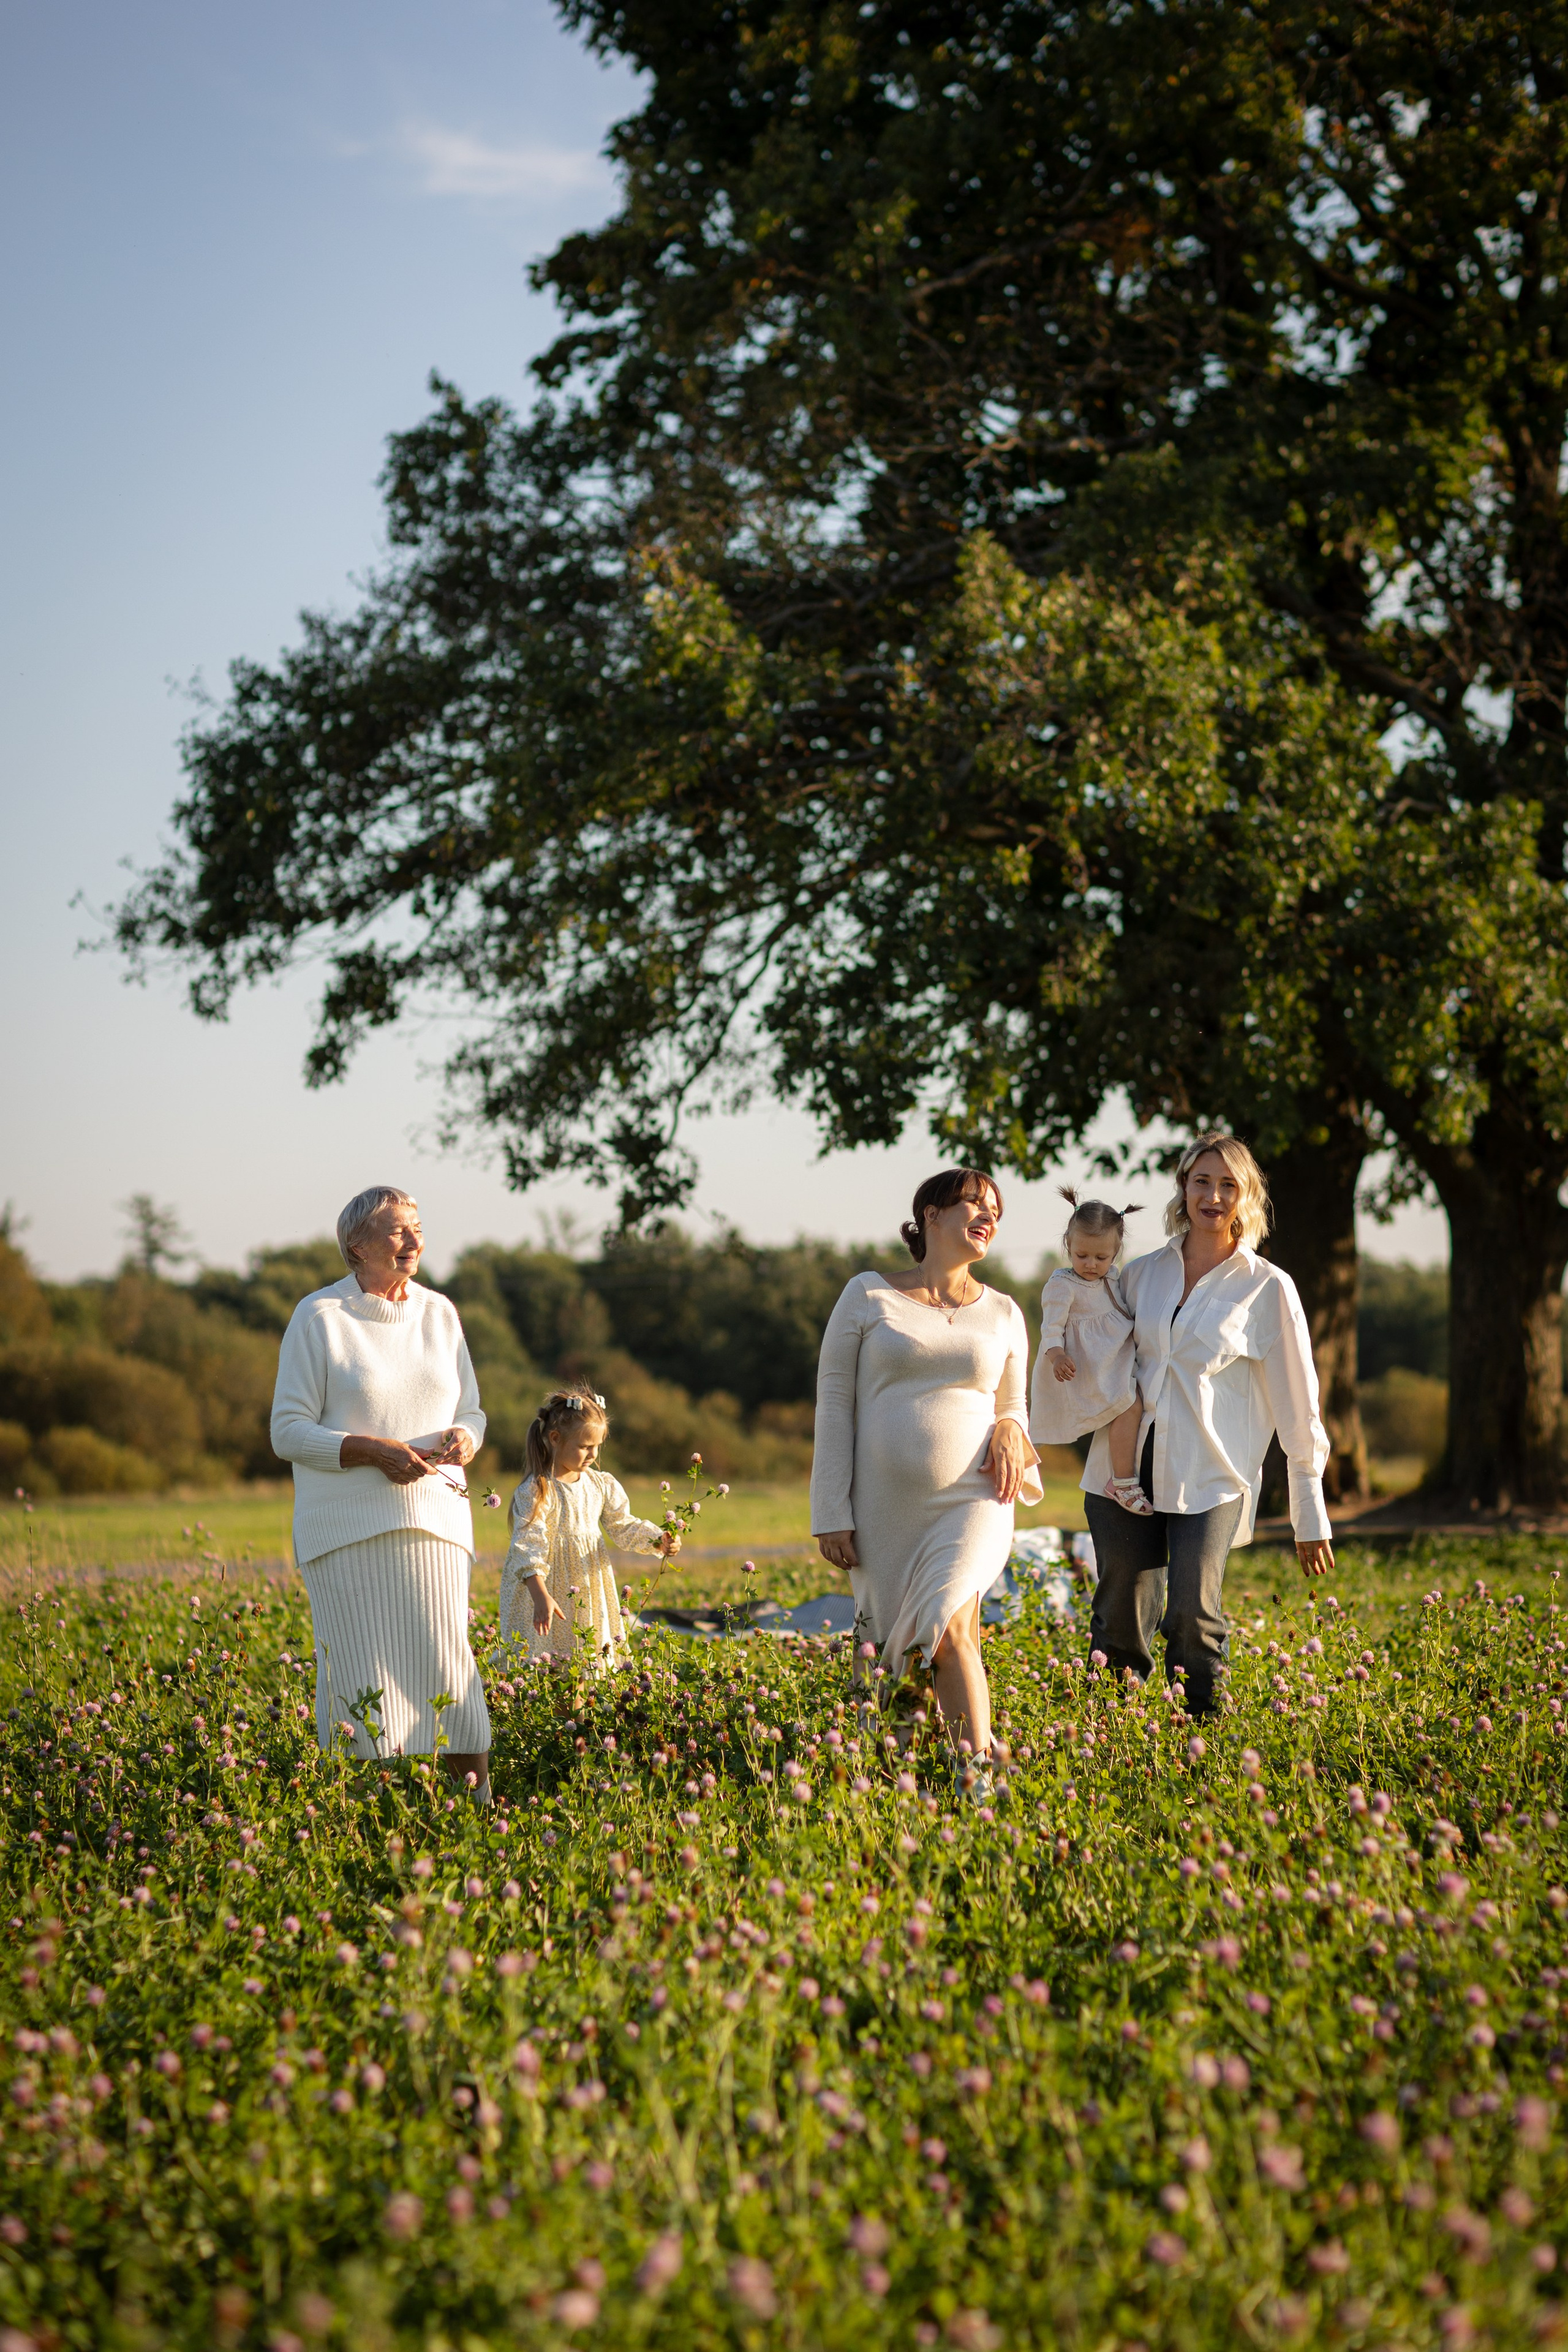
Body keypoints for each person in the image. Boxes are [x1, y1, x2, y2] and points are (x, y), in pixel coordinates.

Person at [1082, 1132, 1334, 1716]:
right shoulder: (1139, 1275)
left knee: (1193, 1612)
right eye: (1202, 1181)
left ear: (1246, 1196)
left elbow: (1299, 1402)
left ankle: (1200, 1738)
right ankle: (1112, 1735)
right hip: (1124, 1469)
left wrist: (1308, 1509)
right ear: (1184, 1187)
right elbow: (1099, 1352)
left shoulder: (1267, 1287)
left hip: (1212, 1474)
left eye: (1228, 1185)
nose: (1213, 1196)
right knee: (1120, 1610)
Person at [812, 1168, 1042, 1796]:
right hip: (885, 1506)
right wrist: (829, 1508)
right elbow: (833, 1401)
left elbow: (1015, 1402)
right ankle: (901, 1776)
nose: (987, 1214)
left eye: (995, 1208)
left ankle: (979, 1780)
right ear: (931, 1216)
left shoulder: (1003, 1311)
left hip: (975, 1496)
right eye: (973, 1202)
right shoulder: (867, 1295)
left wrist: (1008, 1428)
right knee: (900, 1645)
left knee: (950, 1626)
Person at [270, 1185, 492, 1798]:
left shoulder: (440, 1312)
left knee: (451, 1674)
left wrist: (464, 1441)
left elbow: (472, 1412)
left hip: (438, 1526)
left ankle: (479, 1814)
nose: (415, 1242)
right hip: (347, 1534)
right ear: (357, 1246)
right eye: (398, 1232)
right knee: (360, 1683)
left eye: (417, 1228)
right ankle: (363, 1825)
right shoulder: (320, 1317)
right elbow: (287, 1432)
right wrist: (373, 1451)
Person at [499, 1387, 678, 1670]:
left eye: (597, 1446)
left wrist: (658, 1539)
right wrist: (540, 1594)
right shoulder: (537, 1490)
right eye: (585, 1446)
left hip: (585, 1586)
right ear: (555, 1439)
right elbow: (527, 1543)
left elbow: (622, 1524)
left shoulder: (600, 1484)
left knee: (584, 1659)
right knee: (547, 1665)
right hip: (544, 1588)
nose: (593, 1454)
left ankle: (579, 1716)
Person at [1029, 1189, 1148, 1513]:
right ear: (1068, 1244)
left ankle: (1124, 1476)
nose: (1091, 1265)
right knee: (1129, 1404)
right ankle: (1122, 1482)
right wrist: (1057, 1356)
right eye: (1082, 1256)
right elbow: (1050, 1329)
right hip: (1087, 1366)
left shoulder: (1113, 1277)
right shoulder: (1062, 1285)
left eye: (1101, 1257)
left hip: (1115, 1360)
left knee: (1134, 1403)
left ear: (1116, 1252)